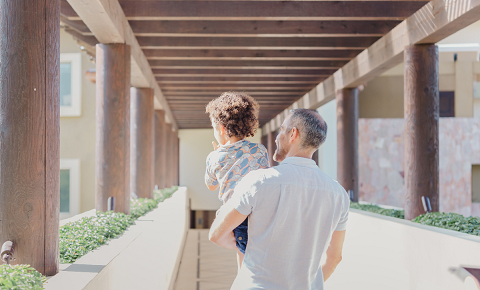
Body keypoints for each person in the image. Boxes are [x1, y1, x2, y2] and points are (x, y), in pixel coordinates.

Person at [209, 108, 349, 290]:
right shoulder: (339, 194)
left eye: (282, 129)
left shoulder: (259, 181)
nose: (276, 137)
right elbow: (335, 258)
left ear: (293, 134)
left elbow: (216, 234)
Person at [204, 91, 270, 269]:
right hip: (261, 212)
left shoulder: (214, 157)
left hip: (235, 215)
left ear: (222, 129)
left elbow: (211, 186)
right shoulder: (260, 150)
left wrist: (218, 155)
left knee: (243, 264)